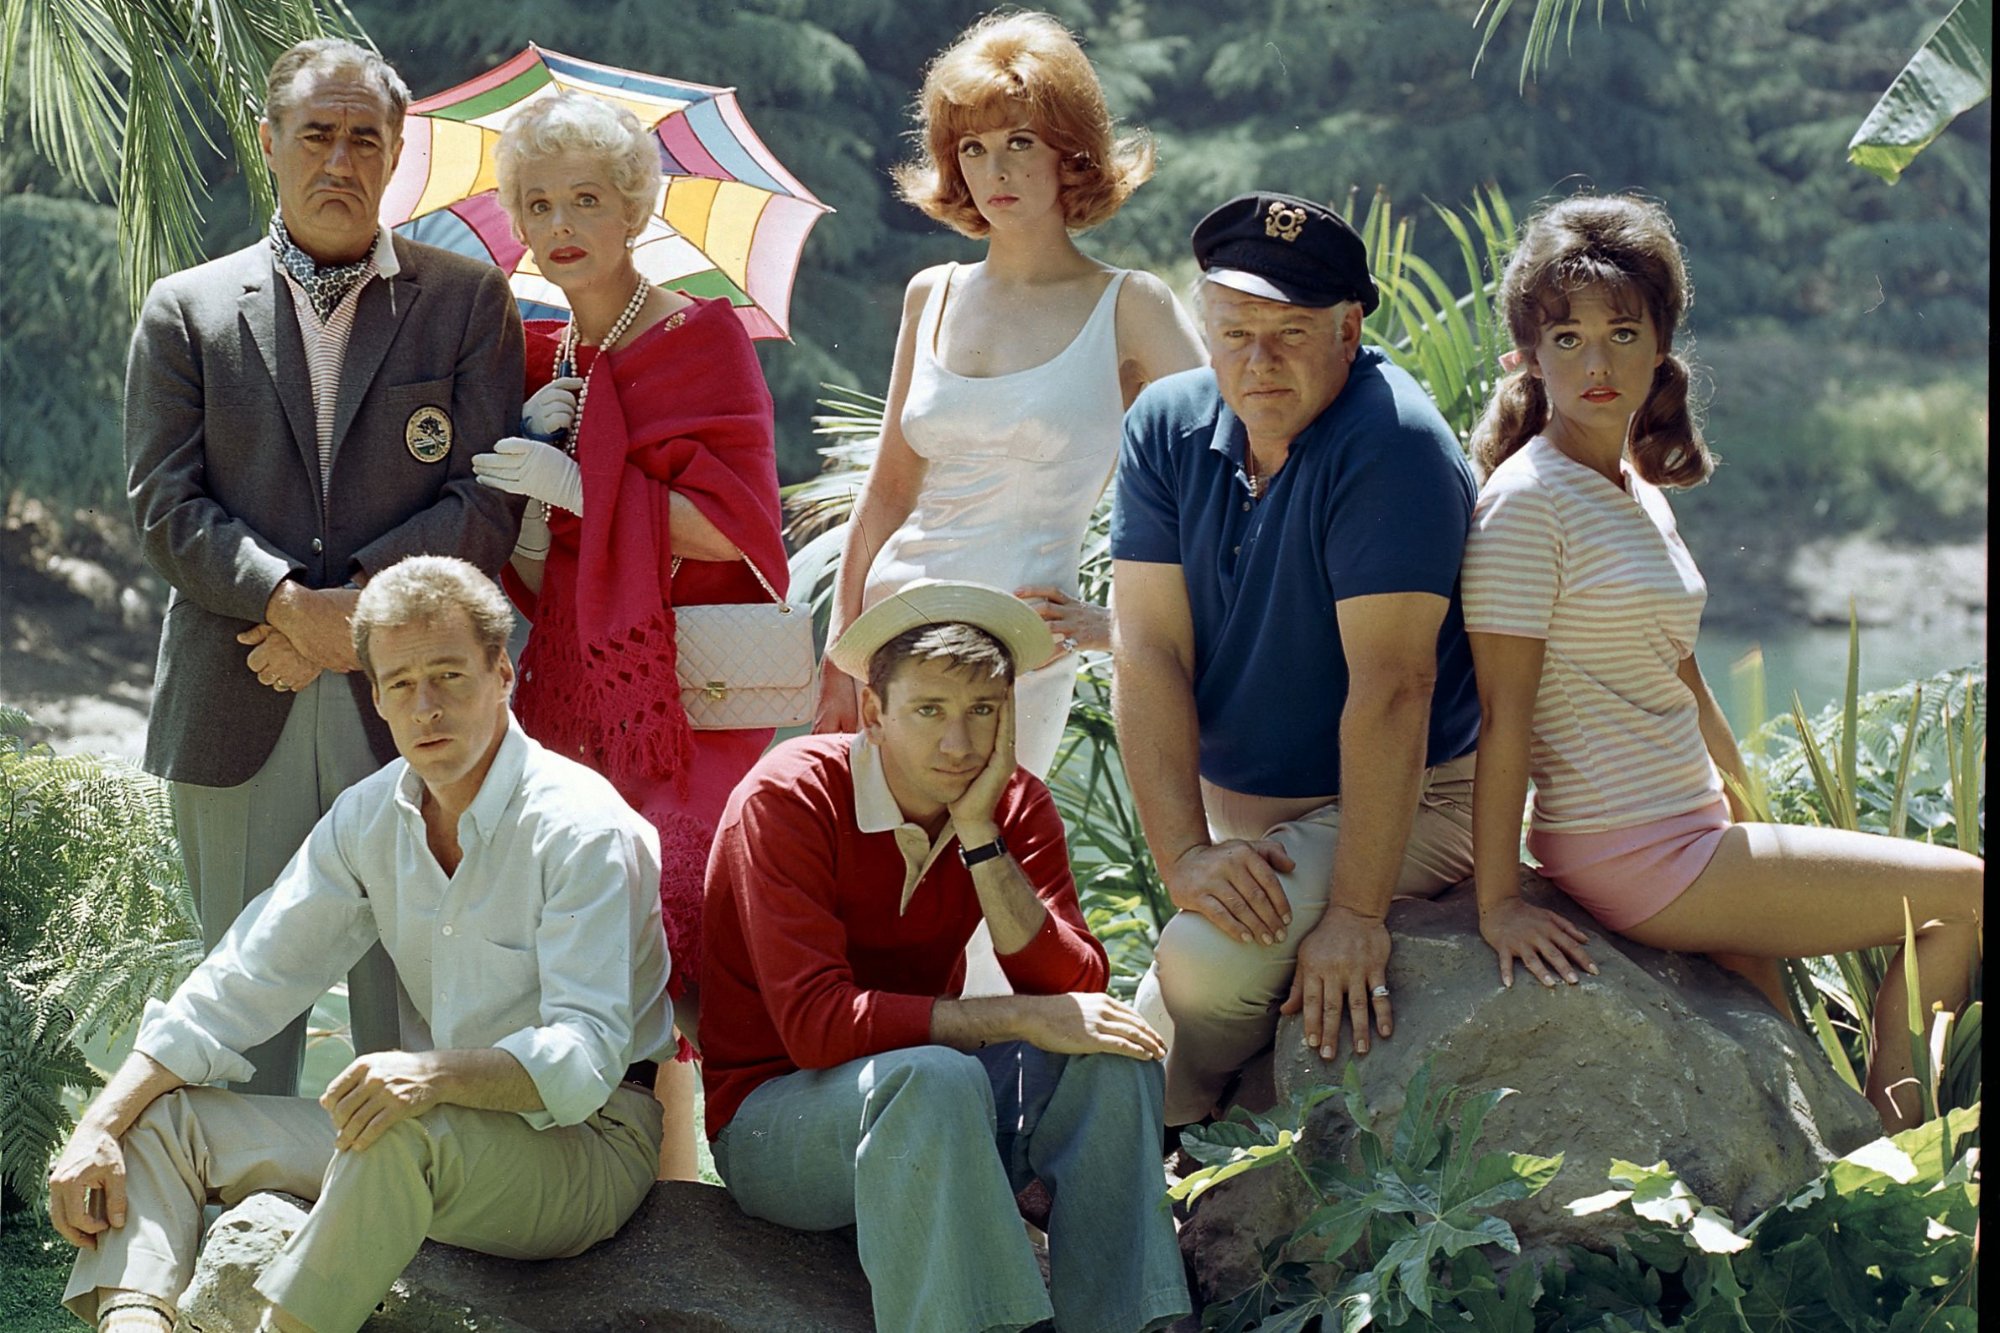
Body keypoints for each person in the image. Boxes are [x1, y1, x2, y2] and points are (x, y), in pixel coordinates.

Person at [1459, 194, 1983, 1132]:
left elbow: (1684, 675)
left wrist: (1753, 815)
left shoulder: (1630, 489)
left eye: (1623, 333)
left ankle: (1860, 1167)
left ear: (1661, 346)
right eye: (1567, 338)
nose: (1598, 362)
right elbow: (1505, 713)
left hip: (1693, 829)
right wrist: (1497, 902)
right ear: (1527, 356)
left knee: (1792, 1086)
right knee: (1965, 896)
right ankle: (1906, 1155)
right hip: (1635, 847)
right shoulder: (1527, 505)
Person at [47, 556, 674, 1333]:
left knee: (396, 1131)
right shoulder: (369, 816)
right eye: (403, 684)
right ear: (375, 696)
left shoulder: (581, 828)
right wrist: (98, 1124)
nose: (427, 707)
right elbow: (242, 982)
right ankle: (136, 1322)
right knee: (159, 1121)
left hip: (586, 1144)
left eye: (449, 675)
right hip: (421, 1130)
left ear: (503, 672)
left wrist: (432, 1076)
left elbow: (585, 1059)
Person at [124, 38, 526, 1097]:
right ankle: (239, 1236)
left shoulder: (467, 303)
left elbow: (486, 500)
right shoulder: (187, 309)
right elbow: (162, 504)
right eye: (316, 135)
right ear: (269, 144)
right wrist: (288, 605)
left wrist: (356, 622)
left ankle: (431, 1247)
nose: (339, 162)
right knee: (239, 1004)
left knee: (418, 990)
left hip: (412, 697)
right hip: (238, 681)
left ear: (397, 153)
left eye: (364, 139)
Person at [702, 580, 1191, 1333]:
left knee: (1111, 1053)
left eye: (982, 711)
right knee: (935, 1077)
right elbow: (816, 1027)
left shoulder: (1009, 799)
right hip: (776, 1126)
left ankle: (1130, 1320)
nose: (959, 745)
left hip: (936, 1107)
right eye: (929, 711)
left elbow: (1076, 986)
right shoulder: (792, 792)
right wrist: (1016, 1015)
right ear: (873, 711)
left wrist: (981, 838)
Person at [1111, 192, 1485, 1127]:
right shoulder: (1166, 424)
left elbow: (1396, 688)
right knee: (1165, 975)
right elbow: (1147, 647)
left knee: (1201, 966)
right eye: (1235, 331)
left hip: (1412, 798)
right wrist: (1186, 854)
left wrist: (1356, 915)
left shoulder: (1390, 442)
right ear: (1206, 324)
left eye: (1289, 331)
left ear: (1349, 329)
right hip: (1245, 816)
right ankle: (1140, 1126)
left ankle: (1180, 1127)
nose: (1258, 359)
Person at [468, 91, 788, 1179]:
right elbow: (519, 563)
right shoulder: (535, 354)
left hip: (682, 694)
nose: (560, 224)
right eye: (539, 202)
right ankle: (605, 1165)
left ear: (634, 209)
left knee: (679, 899)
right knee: (565, 908)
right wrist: (527, 463)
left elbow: (739, 525)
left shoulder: (699, 337)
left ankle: (757, 1149)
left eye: (587, 200)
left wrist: (586, 481)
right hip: (566, 687)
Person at [813, 9, 1204, 775]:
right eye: (974, 148)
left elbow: (1235, 471)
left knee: (990, 875)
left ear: (1072, 154)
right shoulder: (933, 292)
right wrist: (839, 650)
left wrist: (1114, 622)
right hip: (892, 639)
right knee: (881, 882)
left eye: (1020, 141)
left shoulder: (1132, 306)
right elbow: (888, 490)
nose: (996, 170)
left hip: (1022, 650)